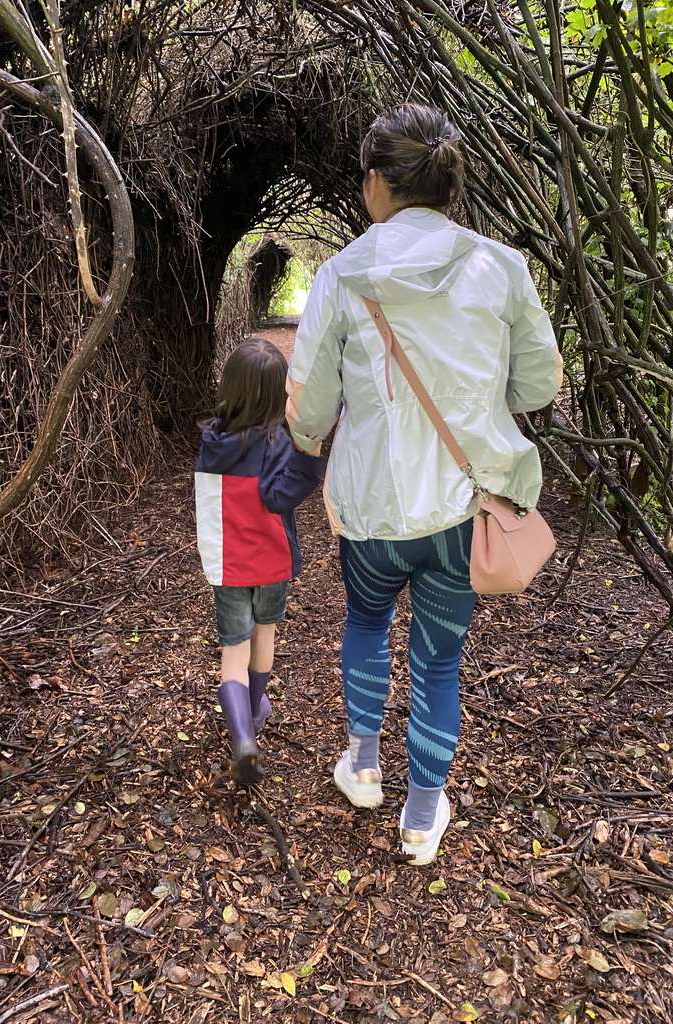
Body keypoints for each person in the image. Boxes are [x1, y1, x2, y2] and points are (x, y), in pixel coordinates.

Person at [286, 104, 562, 865]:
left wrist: (308, 442)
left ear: (375, 182)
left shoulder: (344, 273)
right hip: (460, 509)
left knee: (368, 624)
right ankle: (421, 813)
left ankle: (365, 764)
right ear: (449, 184)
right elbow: (538, 383)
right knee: (441, 659)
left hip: (372, 510)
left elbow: (309, 405)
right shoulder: (502, 267)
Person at [196, 336, 325, 784]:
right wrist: (310, 460)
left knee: (232, 652)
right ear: (277, 394)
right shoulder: (277, 442)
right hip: (271, 561)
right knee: (263, 634)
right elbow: (280, 494)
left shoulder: (213, 440)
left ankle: (243, 738)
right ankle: (254, 711)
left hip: (228, 562)